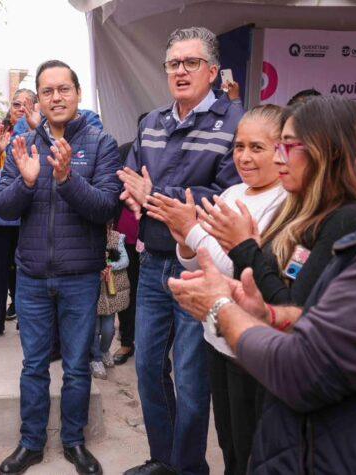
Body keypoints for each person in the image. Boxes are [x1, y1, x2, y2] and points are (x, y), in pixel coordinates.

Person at [168, 32, 356, 474]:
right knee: (233, 449)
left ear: (327, 150)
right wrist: (260, 309)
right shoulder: (314, 211)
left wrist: (225, 299)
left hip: (330, 426)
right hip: (267, 375)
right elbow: (313, 314)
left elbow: (304, 359)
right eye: (242, 147)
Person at [118, 27, 243, 475]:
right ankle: (163, 459)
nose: (181, 71)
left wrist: (153, 195)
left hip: (201, 266)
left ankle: (189, 468)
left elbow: (226, 198)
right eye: (173, 63)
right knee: (148, 368)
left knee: (191, 378)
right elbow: (130, 175)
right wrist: (136, 195)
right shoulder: (152, 121)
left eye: (191, 63)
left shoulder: (235, 123)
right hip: (153, 260)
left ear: (212, 71)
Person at [0, 59, 122, 475]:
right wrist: (27, 181)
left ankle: (74, 442)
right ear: (39, 101)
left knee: (77, 366)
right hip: (31, 276)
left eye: (64, 89)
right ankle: (30, 443)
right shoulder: (24, 144)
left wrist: (67, 179)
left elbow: (106, 207)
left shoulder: (101, 143)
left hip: (80, 276)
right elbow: (0, 208)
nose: (56, 97)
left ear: (78, 93)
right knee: (33, 365)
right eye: (47, 91)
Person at [145, 105, 287, 475]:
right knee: (227, 443)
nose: (244, 157)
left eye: (257, 148)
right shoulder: (234, 191)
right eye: (239, 146)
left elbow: (245, 272)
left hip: (252, 349)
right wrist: (185, 242)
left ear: (281, 150)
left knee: (250, 447)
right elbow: (203, 265)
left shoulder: (285, 201)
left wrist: (192, 231)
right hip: (216, 338)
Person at [199, 97, 356, 308]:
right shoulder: (299, 209)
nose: (278, 159)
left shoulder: (347, 219)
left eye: (288, 147)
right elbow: (265, 287)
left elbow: (293, 311)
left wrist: (244, 249)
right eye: (279, 147)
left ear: (329, 150)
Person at [0, 89, 36, 340]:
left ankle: (28, 320)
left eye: (27, 105)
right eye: (16, 104)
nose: (21, 109)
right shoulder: (0, 132)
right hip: (0, 212)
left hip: (29, 212)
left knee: (26, 271)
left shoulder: (42, 133)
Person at [112, 113, 146, 366]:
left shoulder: (167, 155)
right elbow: (113, 190)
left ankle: (151, 343)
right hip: (126, 234)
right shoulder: (124, 152)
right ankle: (126, 341)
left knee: (153, 293)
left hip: (155, 235)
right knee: (126, 289)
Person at [90, 227, 130, 380]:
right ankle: (96, 358)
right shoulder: (87, 236)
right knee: (94, 329)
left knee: (108, 329)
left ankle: (104, 350)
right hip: (93, 290)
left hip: (110, 292)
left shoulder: (116, 238)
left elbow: (125, 260)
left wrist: (111, 265)